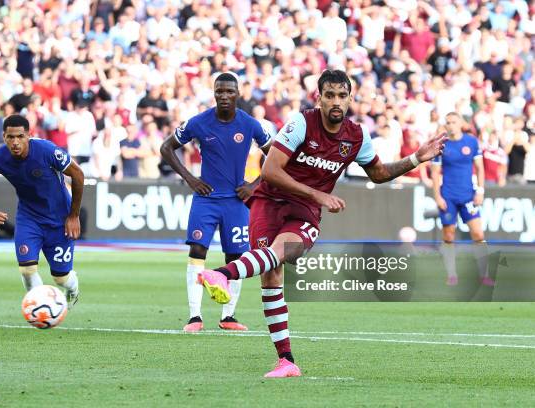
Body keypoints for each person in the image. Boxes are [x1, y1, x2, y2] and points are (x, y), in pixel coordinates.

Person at [196, 70, 446, 377]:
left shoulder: (356, 137)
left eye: (342, 95)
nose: (336, 102)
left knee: (281, 251)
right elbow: (271, 169)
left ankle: (222, 274)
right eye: (330, 95)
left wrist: (415, 159)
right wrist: (319, 193)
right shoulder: (302, 123)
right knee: (271, 277)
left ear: (350, 99)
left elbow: (378, 174)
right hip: (269, 202)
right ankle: (286, 361)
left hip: (304, 212)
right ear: (320, 98)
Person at [160, 73, 272, 333]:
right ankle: (194, 317)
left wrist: (254, 185)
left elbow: (275, 153)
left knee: (236, 256)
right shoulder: (199, 122)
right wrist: (190, 178)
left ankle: (228, 316)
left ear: (238, 94)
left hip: (235, 202)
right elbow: (167, 147)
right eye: (219, 91)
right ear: (214, 93)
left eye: (229, 92)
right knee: (197, 250)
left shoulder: (250, 124)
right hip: (206, 199)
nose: (224, 96)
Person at [0, 114, 84, 307]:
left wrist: (73, 215)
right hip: (29, 218)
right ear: (4, 137)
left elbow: (78, 174)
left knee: (61, 278)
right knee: (27, 270)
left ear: (29, 135)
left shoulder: (47, 150)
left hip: (60, 218)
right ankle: (42, 308)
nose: (15, 142)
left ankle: (73, 288)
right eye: (10, 137)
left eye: (20, 136)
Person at [431, 112, 494, 287]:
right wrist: (437, 195)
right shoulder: (441, 144)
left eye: (453, 122)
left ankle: (484, 274)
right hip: (448, 196)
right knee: (449, 236)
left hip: (468, 196)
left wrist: (480, 191)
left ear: (460, 124)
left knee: (478, 234)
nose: (450, 125)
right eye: (448, 122)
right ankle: (452, 275)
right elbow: (435, 173)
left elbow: (480, 168)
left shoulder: (471, 142)